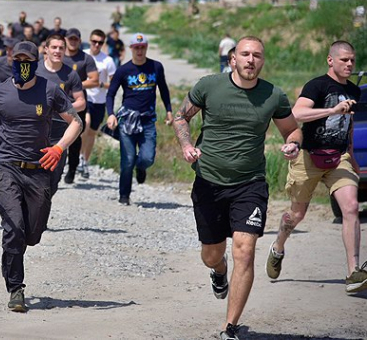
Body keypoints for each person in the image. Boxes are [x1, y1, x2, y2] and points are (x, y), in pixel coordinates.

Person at [172, 36, 302, 340]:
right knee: (211, 254)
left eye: (257, 55)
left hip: (250, 184)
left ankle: (228, 327)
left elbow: (292, 129)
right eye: (245, 54)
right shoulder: (209, 86)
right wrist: (187, 144)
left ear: (262, 61)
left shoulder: (274, 95)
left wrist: (293, 144)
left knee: (245, 250)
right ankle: (219, 271)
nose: (251, 60)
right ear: (233, 59)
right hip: (208, 182)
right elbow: (181, 117)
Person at [0, 40, 82, 312]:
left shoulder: (50, 90)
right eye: (18, 62)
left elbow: (76, 122)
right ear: (11, 61)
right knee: (14, 227)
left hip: (39, 171)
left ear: (35, 61)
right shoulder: (0, 91)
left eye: (27, 62)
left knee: (32, 235)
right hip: (6, 168)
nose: (22, 67)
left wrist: (58, 147)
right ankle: (16, 288)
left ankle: (17, 257)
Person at [267, 40, 367, 294]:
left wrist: (353, 159)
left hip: (339, 158)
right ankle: (278, 246)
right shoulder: (317, 85)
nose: (349, 64)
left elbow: (349, 125)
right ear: (330, 60)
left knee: (352, 207)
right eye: (344, 59)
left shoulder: (354, 91)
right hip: (308, 156)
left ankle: (353, 273)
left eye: (352, 60)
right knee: (296, 215)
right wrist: (332, 109)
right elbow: (296, 114)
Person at [106, 33, 172, 205]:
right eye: (136, 48)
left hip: (148, 119)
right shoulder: (123, 70)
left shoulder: (156, 67)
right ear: (131, 49)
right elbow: (111, 93)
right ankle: (124, 195)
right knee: (127, 159)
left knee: (148, 157)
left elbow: (164, 90)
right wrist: (110, 114)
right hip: (128, 119)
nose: (140, 51)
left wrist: (169, 111)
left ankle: (141, 167)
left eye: (142, 47)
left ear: (146, 48)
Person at [36, 34, 85, 195]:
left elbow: (81, 102)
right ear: (46, 49)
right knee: (31, 176)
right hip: (34, 130)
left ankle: (41, 212)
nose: (57, 51)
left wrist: (61, 109)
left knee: (53, 180)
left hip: (60, 133)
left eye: (61, 48)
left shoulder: (71, 74)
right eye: (54, 47)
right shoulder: (35, 70)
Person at [62, 28, 99, 184]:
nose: (73, 41)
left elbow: (94, 80)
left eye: (75, 39)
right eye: (70, 39)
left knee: (75, 138)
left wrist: (75, 85)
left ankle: (72, 169)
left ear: (79, 40)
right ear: (65, 39)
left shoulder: (86, 59)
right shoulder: (59, 56)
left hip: (77, 103)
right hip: (58, 102)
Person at [80, 29, 116, 178]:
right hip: (84, 97)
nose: (96, 45)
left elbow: (114, 84)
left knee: (92, 133)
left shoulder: (107, 60)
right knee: (84, 125)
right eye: (94, 41)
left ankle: (84, 161)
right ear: (90, 41)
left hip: (99, 100)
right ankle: (78, 156)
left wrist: (100, 84)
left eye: (100, 43)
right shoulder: (83, 55)